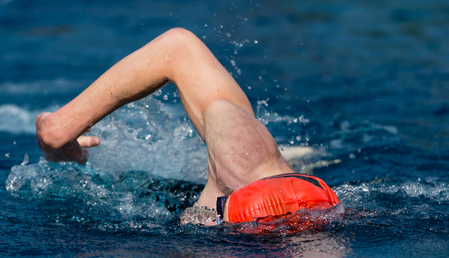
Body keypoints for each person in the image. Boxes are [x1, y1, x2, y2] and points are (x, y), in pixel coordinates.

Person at [35, 28, 339, 225]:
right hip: (299, 213)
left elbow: (178, 48)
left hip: (259, 193)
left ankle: (62, 125)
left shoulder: (244, 162)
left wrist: (59, 129)